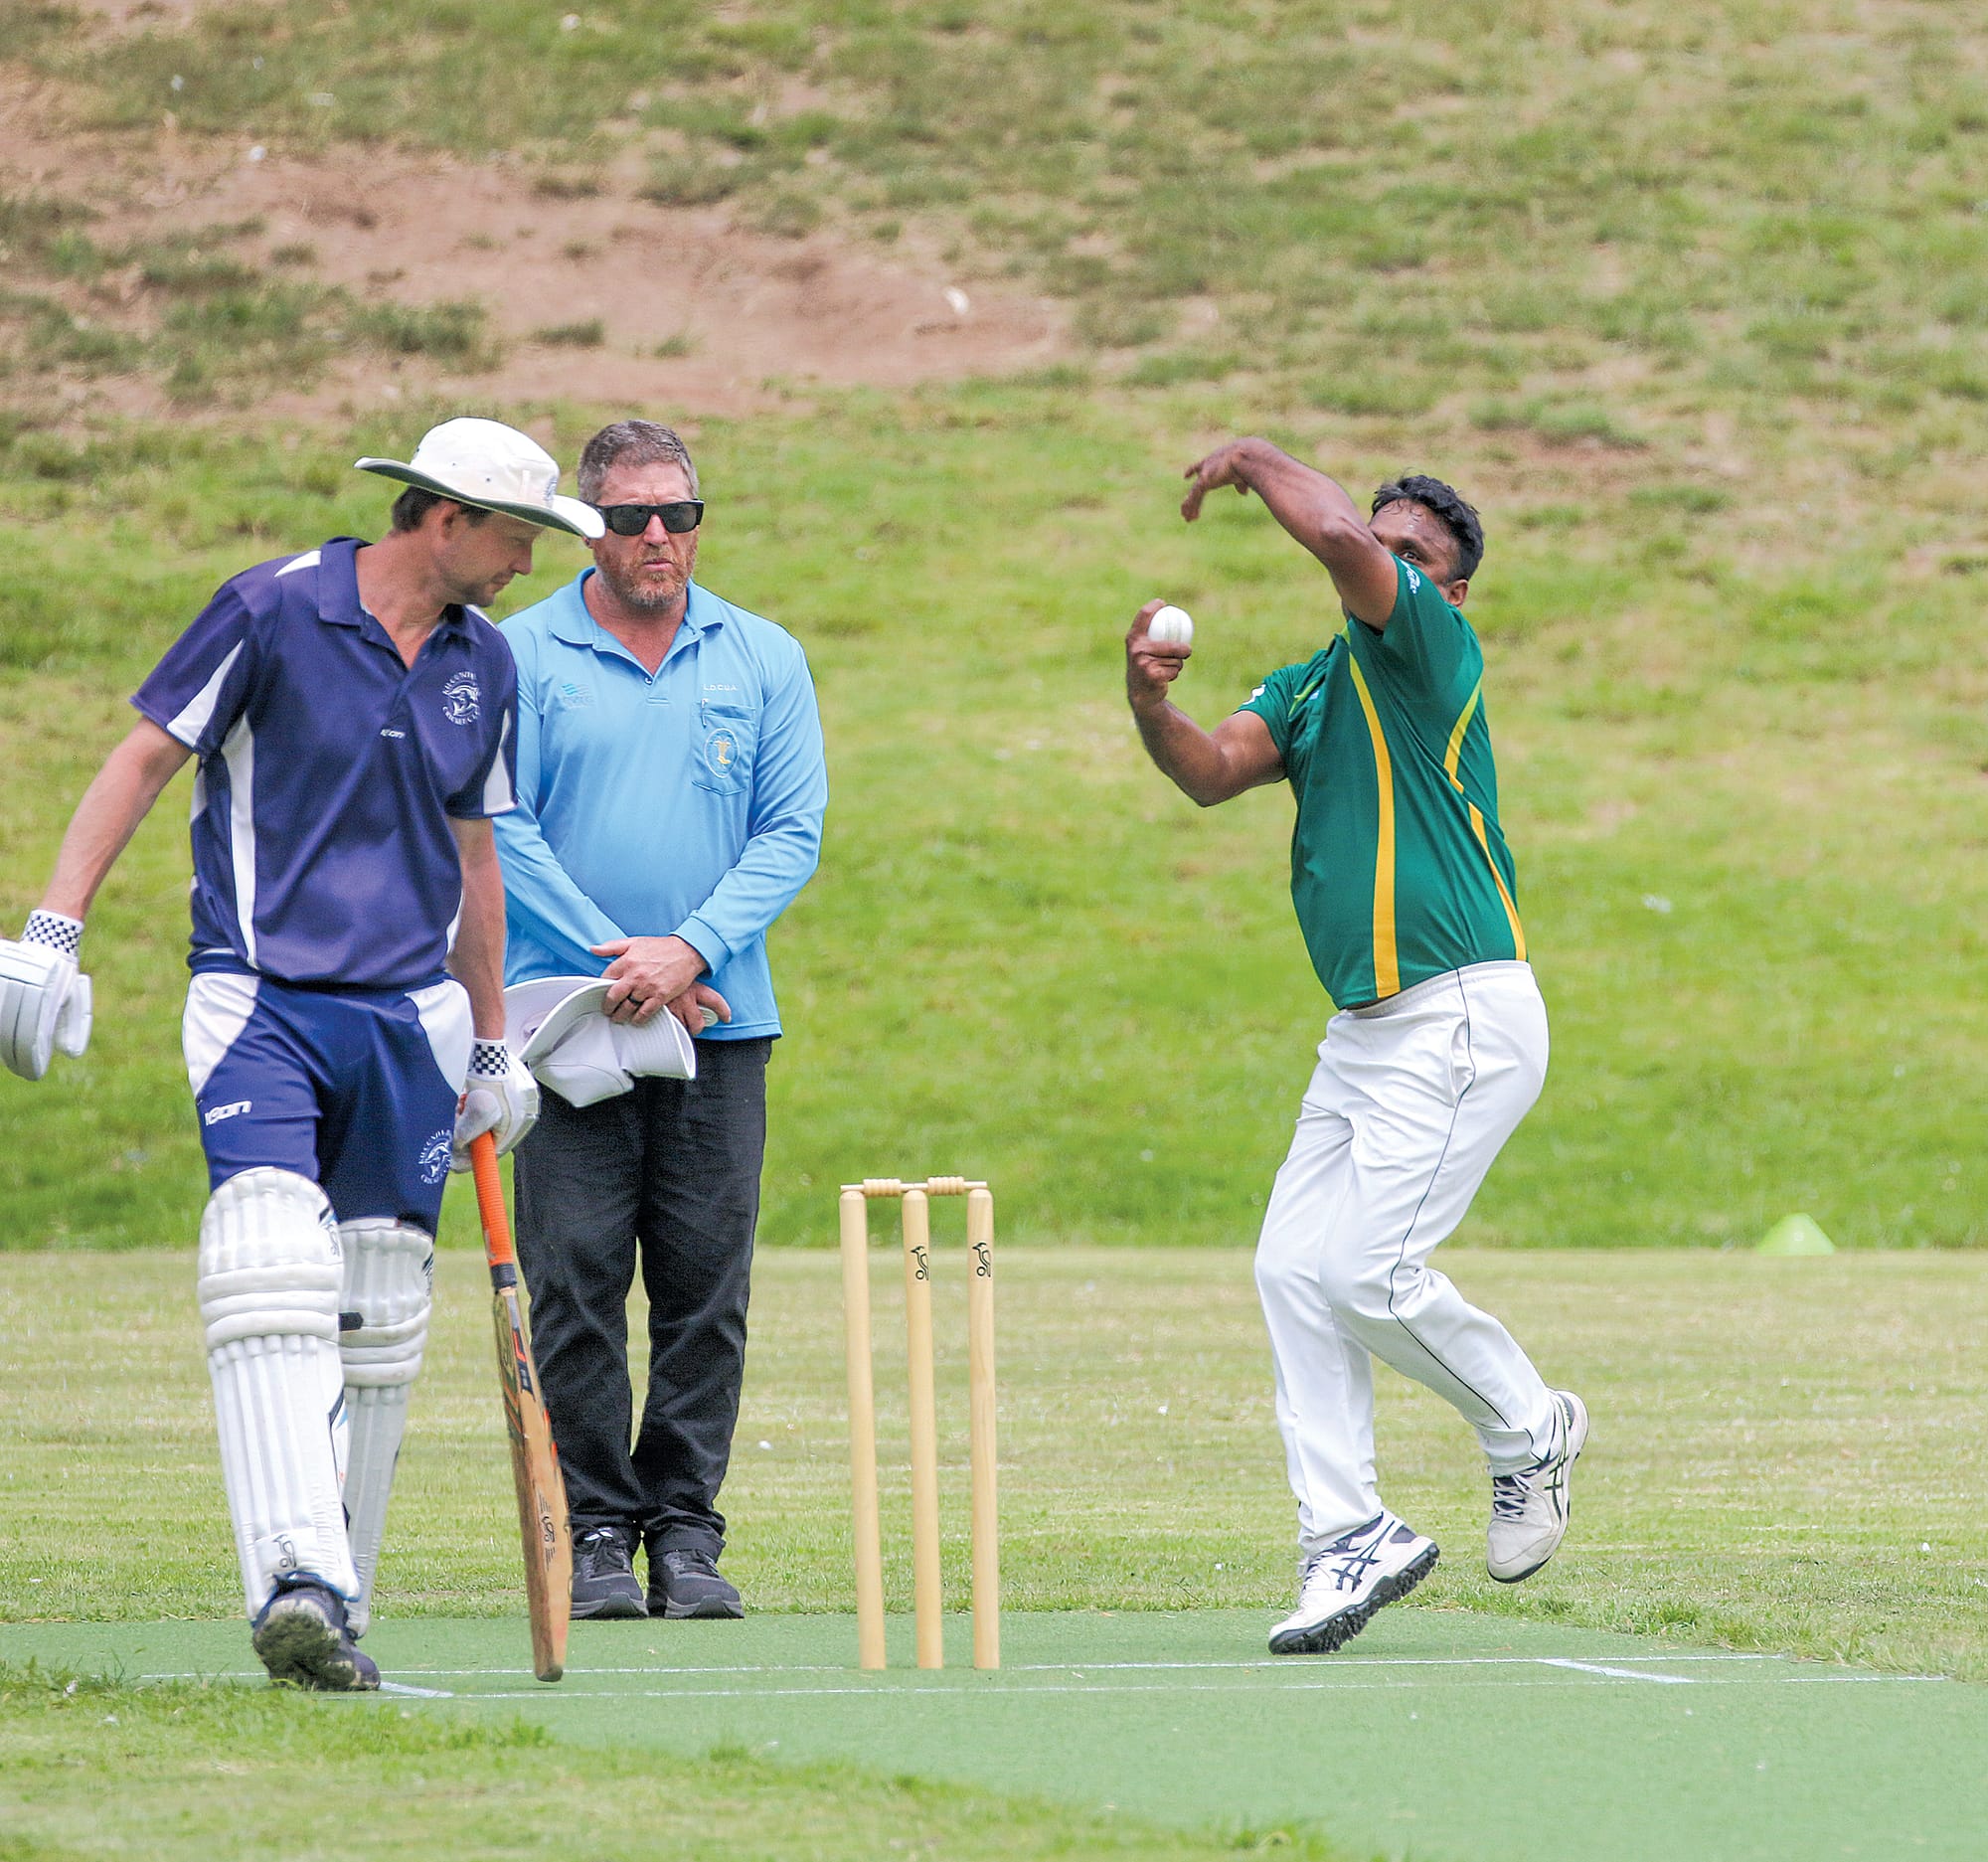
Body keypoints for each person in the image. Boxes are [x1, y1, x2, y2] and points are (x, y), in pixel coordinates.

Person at [0, 418, 594, 1688]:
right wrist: (53, 927)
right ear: (437, 518)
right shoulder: (269, 610)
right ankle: (293, 1574)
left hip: (407, 1020)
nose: (527, 561)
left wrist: (492, 1043)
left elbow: (473, 855)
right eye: (511, 534)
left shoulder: (483, 661)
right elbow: (147, 757)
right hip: (260, 997)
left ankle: (332, 1615)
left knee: (378, 1310)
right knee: (270, 1262)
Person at [1123, 436, 1586, 1656]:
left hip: (1461, 1009)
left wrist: (1250, 458)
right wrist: (1148, 703)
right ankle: (1347, 1533)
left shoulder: (1433, 649)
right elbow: (1213, 772)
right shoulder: (1311, 683)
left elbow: (1330, 535)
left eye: (1410, 553)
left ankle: (1527, 1422)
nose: (1382, 558)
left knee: (1367, 1274)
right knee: (1291, 1271)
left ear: (1448, 585)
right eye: (1381, 541)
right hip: (1366, 1031)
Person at [495, 419, 827, 1621]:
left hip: (720, 1020)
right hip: (565, 1020)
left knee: (702, 1283)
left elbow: (789, 832)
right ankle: (593, 1532)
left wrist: (686, 951)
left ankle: (685, 1530)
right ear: (590, 524)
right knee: (574, 1275)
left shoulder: (762, 656)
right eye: (631, 516)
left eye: (676, 516)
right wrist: (623, 961)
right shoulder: (519, 652)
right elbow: (497, 824)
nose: (655, 537)